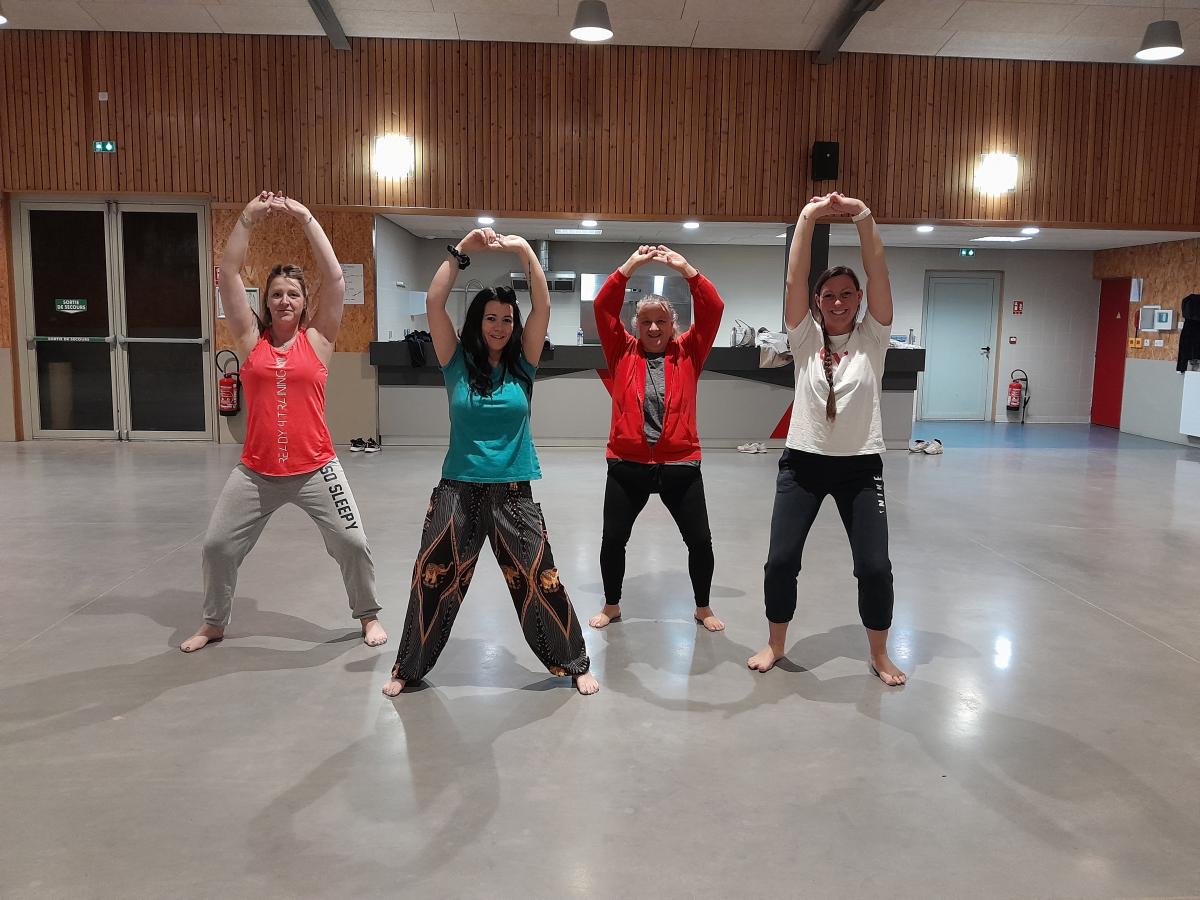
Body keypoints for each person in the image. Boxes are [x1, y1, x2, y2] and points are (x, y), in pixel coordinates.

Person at [383, 228, 598, 696]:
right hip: (458, 489)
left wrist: (522, 249)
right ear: (478, 322)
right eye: (490, 318)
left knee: (540, 579)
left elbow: (542, 305)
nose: (498, 327)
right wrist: (461, 252)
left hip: (514, 491)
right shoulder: (456, 362)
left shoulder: (523, 365)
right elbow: (435, 302)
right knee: (431, 580)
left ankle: (574, 661)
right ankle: (407, 668)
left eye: (506, 319)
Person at [182, 191, 386, 652]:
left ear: (304, 301)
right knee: (217, 546)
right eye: (276, 294)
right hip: (256, 471)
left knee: (352, 543)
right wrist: (247, 219)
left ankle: (368, 616)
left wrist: (308, 217)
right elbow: (229, 274)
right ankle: (213, 623)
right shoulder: (249, 339)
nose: (284, 300)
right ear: (266, 302)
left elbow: (335, 278)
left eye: (293, 293)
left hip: (316, 467)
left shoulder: (319, 339)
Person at [748, 193, 907, 686]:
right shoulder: (804, 339)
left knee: (874, 567)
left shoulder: (873, 338)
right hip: (804, 464)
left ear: (859, 300)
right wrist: (807, 216)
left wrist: (863, 216)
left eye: (847, 294)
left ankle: (879, 653)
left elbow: (879, 273)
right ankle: (776, 642)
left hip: (860, 467)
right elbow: (794, 278)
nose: (838, 302)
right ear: (817, 302)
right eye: (829, 295)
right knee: (781, 561)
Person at [588, 245, 726, 633]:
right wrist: (629, 267)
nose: (653, 329)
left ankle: (702, 607)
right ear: (635, 325)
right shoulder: (621, 350)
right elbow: (602, 307)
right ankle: (612, 605)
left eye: (661, 321)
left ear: (672, 325)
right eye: (646, 321)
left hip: (680, 465)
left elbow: (713, 309)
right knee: (613, 539)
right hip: (627, 464)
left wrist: (688, 271)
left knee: (700, 541)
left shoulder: (689, 351)